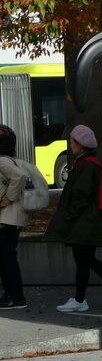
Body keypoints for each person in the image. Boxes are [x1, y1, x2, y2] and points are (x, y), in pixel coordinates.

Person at [44, 125, 102, 312]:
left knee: (84, 262)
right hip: (89, 222)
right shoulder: (89, 163)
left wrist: (68, 216)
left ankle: (80, 300)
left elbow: (81, 195)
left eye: (72, 141)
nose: (70, 144)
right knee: (88, 261)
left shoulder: (85, 166)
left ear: (80, 144)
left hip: (84, 223)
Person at [0, 124, 29, 309]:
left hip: (8, 218)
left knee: (7, 257)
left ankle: (16, 297)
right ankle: (10, 294)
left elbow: (20, 176)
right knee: (5, 257)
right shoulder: (10, 159)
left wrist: (8, 198)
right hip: (10, 218)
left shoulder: (2, 161)